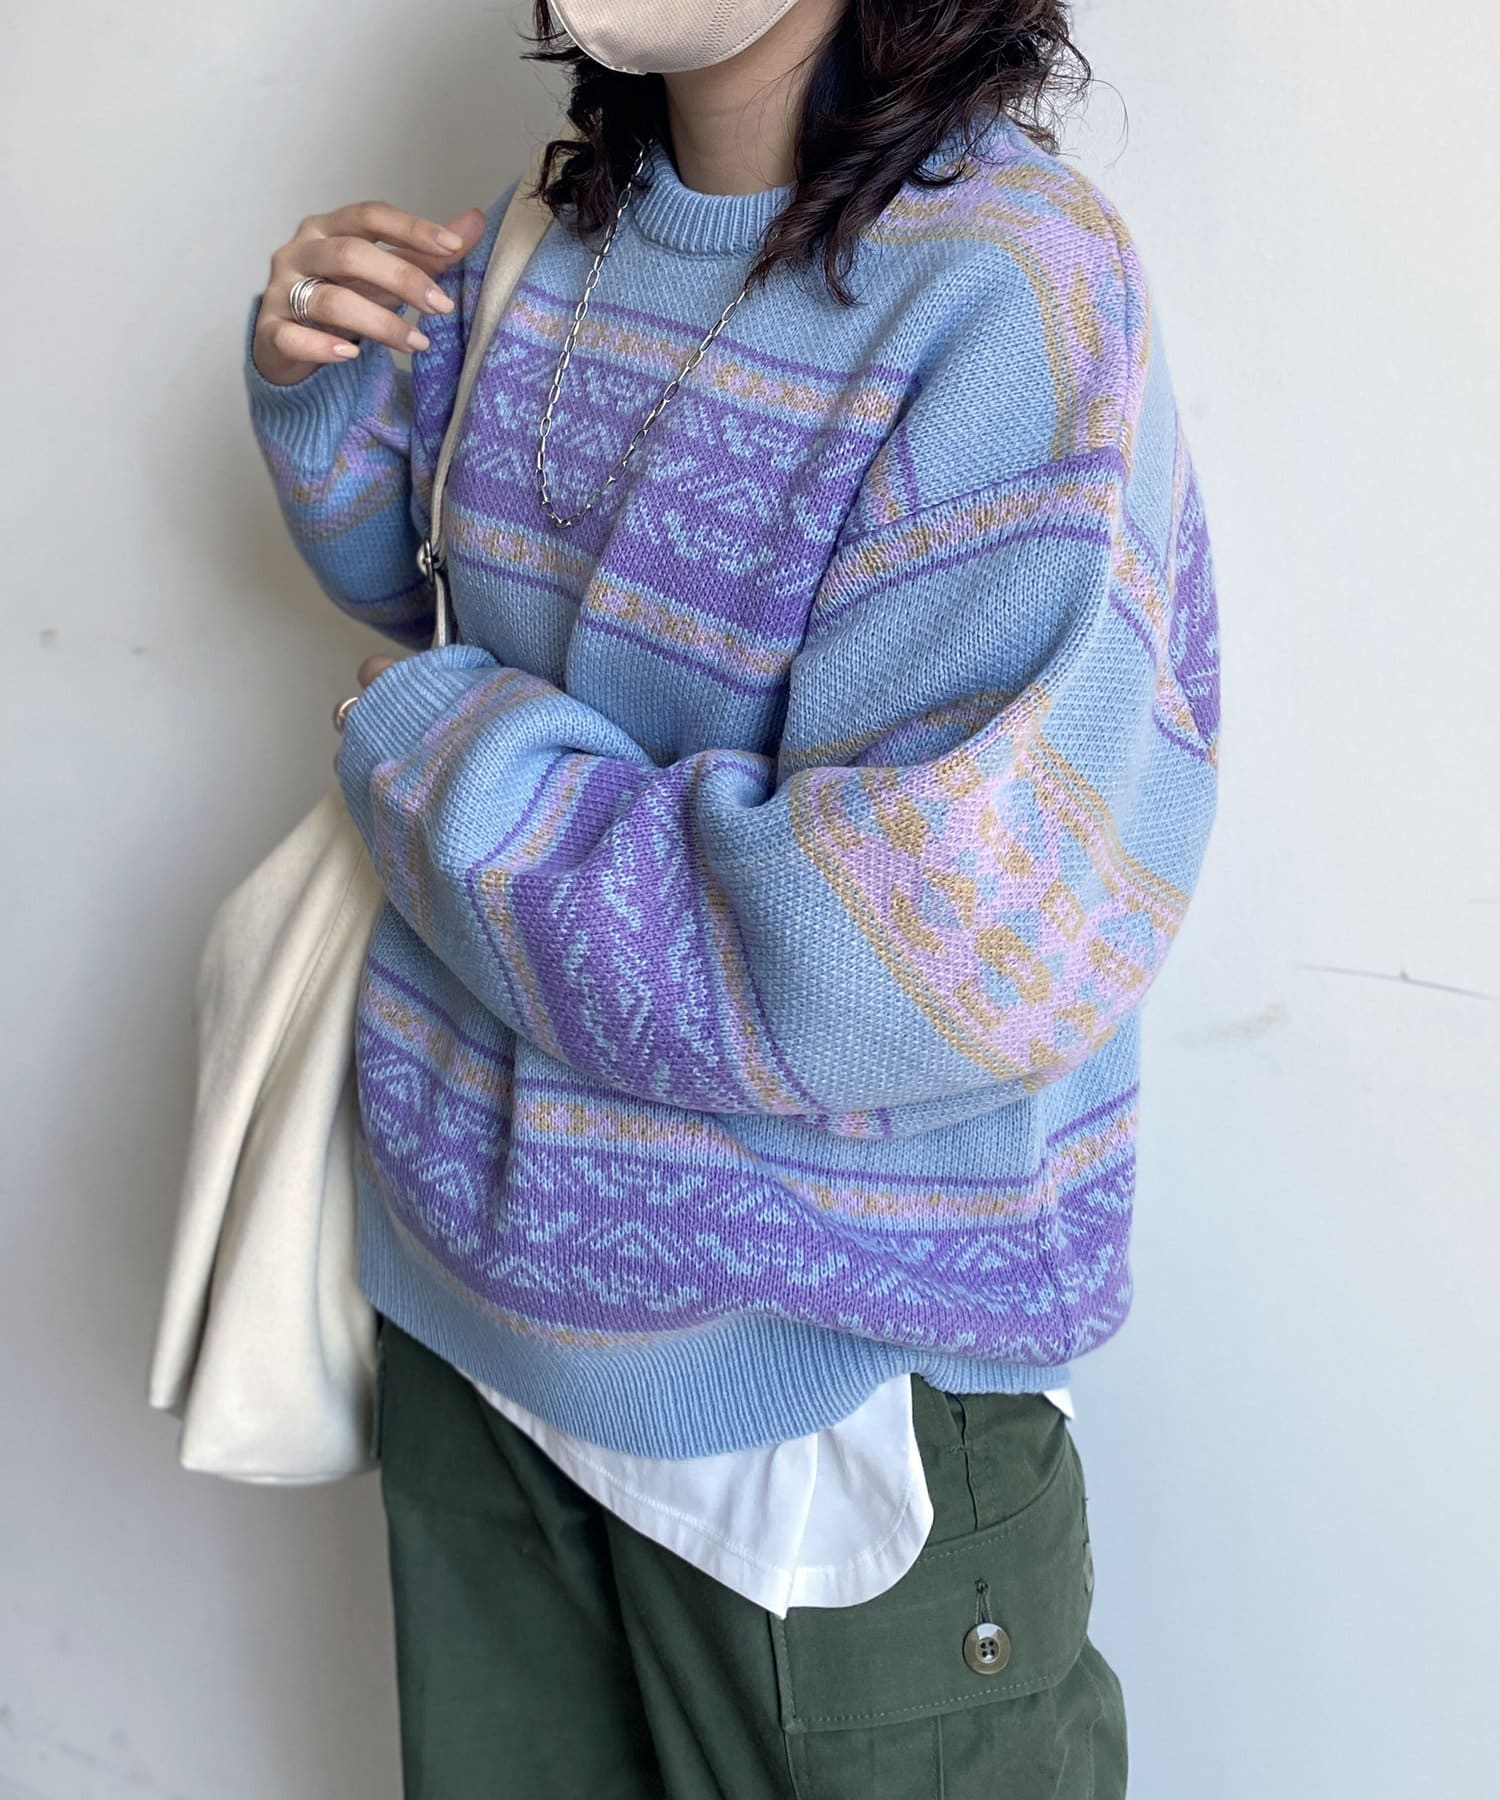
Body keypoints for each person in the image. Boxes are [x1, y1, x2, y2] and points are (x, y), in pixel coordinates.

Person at [244, 0, 1219, 1791]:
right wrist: (330, 401)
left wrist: (446, 769)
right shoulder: (561, 231)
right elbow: (451, 609)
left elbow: (912, 960)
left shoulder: (1010, 293)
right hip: (477, 1327)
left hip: (816, 1414)